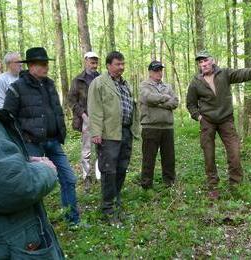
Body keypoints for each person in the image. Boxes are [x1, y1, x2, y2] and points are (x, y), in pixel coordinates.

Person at [0, 29, 64, 259]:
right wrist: (44, 169)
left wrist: (23, 160)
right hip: (0, 246)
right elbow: (14, 185)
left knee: (70, 180)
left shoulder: (49, 85)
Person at [4, 47, 80, 225]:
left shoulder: (50, 85)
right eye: (42, 64)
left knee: (68, 178)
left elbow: (56, 111)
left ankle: (73, 220)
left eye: (47, 64)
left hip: (53, 141)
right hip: (32, 144)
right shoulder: (16, 88)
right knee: (34, 185)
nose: (46, 67)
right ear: (30, 66)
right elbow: (8, 118)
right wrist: (21, 140)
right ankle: (36, 224)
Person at [186, 50, 251, 200]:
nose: (204, 64)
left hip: (226, 119)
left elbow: (241, 74)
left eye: (206, 60)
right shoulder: (196, 82)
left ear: (212, 60)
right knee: (209, 154)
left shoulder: (224, 73)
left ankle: (236, 184)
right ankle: (213, 186)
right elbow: (190, 104)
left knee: (234, 152)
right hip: (207, 121)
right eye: (200, 62)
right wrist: (198, 117)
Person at [88, 51, 140, 224]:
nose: (121, 67)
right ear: (109, 65)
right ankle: (107, 208)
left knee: (122, 167)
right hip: (108, 133)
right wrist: (96, 133)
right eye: (118, 64)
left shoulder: (125, 84)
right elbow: (94, 109)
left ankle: (115, 200)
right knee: (109, 170)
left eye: (123, 64)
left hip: (125, 131)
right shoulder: (99, 83)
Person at [139, 60, 179, 189]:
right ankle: (146, 185)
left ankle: (169, 182)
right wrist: (165, 98)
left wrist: (159, 101)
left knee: (169, 157)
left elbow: (175, 103)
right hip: (150, 126)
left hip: (167, 127)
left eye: (160, 70)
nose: (159, 73)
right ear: (150, 72)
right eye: (156, 70)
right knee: (149, 158)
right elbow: (148, 98)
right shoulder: (144, 85)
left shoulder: (168, 86)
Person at [68, 51, 100, 192]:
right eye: (92, 62)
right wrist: (83, 115)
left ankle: (100, 175)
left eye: (96, 62)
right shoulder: (78, 80)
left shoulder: (101, 78)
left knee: (101, 147)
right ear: (86, 61)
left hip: (101, 118)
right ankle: (87, 176)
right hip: (86, 118)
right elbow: (71, 101)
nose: (94, 65)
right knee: (87, 149)